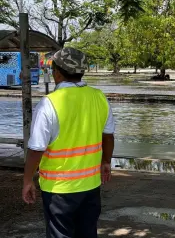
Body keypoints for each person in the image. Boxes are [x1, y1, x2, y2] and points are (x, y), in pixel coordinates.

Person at [22, 47, 115, 238]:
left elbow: (36, 149)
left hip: (58, 189)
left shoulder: (49, 103)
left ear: (56, 72)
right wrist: (106, 161)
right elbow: (108, 136)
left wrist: (27, 180)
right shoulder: (99, 97)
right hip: (90, 186)